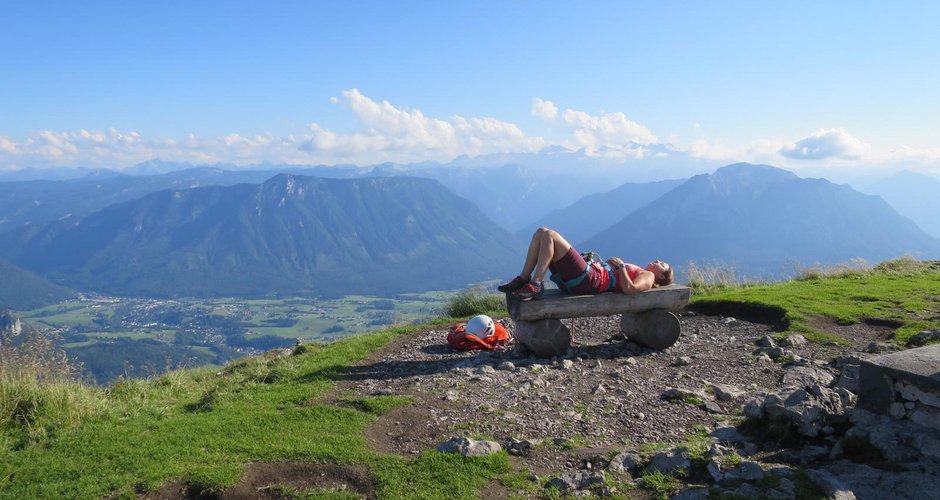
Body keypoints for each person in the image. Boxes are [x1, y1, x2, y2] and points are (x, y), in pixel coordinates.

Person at [498, 227, 673, 300]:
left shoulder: (649, 276)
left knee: (549, 235)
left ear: (660, 276)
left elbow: (630, 289)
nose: (658, 261)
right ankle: (524, 279)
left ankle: (535, 283)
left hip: (590, 281)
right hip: (585, 280)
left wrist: (620, 266)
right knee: (542, 232)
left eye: (663, 264)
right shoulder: (644, 271)